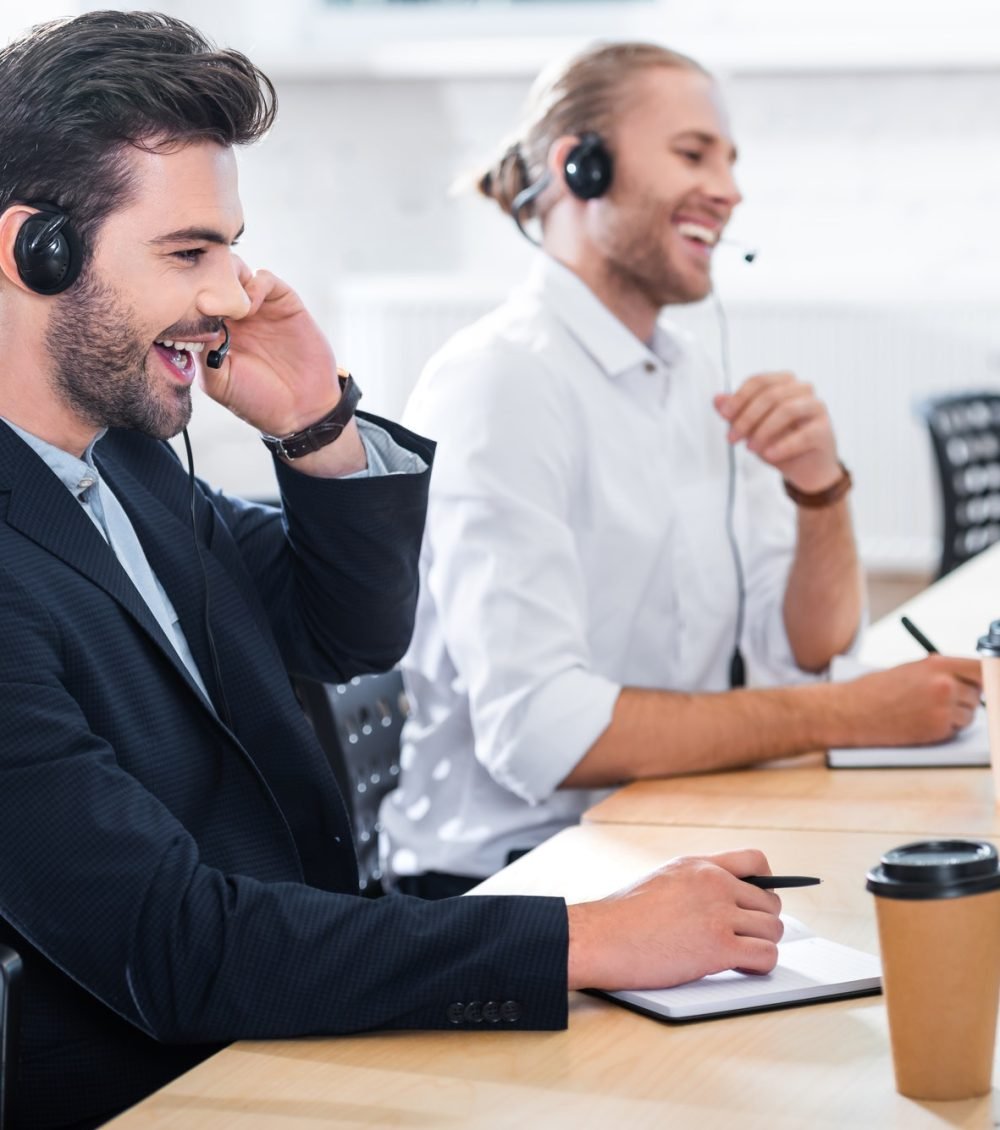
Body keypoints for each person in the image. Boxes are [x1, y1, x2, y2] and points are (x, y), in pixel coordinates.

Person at [0, 15, 788, 1129]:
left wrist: (320, 426)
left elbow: (348, 633)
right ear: (37, 248)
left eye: (229, 245)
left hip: (302, 1027)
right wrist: (585, 936)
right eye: (188, 252)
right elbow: (170, 945)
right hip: (168, 1088)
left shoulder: (125, 464)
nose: (231, 294)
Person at [381, 40, 982, 898]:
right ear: (580, 166)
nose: (730, 190)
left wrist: (821, 491)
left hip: (656, 831)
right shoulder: (503, 380)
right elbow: (545, 735)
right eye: (693, 153)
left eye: (730, 162)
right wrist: (853, 712)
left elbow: (802, 653)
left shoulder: (690, 372)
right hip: (511, 883)